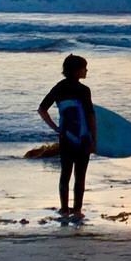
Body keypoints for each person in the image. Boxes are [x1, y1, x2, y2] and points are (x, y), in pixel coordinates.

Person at [38, 54, 96, 218]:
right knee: (80, 175)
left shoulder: (59, 87)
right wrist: (94, 139)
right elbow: (91, 116)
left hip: (65, 137)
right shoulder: (84, 90)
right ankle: (77, 210)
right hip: (83, 137)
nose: (86, 70)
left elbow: (42, 109)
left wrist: (55, 128)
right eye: (84, 67)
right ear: (77, 70)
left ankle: (64, 210)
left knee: (65, 174)